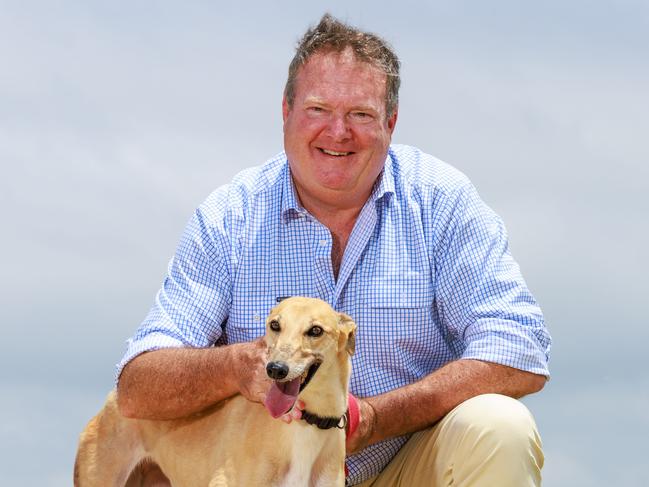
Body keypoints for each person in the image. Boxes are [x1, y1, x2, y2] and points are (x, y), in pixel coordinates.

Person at [116, 13, 551, 487]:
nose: (338, 132)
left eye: (361, 114)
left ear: (391, 121)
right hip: (268, 472)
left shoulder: (441, 200)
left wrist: (375, 419)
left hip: (402, 466)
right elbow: (138, 386)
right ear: (286, 111)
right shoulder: (230, 216)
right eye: (318, 109)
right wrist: (237, 366)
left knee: (498, 427)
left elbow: (518, 346)